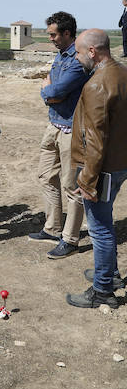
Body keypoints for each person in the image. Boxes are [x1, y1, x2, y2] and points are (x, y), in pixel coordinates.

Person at [66, 30, 127, 309]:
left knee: (100, 228)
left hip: (101, 168)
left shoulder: (96, 85)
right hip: (119, 163)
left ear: (92, 51)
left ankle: (102, 290)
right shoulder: (122, 73)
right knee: (105, 221)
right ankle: (110, 275)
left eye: (79, 52)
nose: (77, 58)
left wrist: (88, 180)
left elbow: (95, 139)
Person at [28, 11, 88, 259]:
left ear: (67, 33)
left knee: (72, 186)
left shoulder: (78, 60)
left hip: (73, 129)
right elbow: (53, 89)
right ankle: (53, 228)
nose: (50, 38)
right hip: (53, 125)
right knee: (46, 176)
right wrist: (50, 91)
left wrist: (48, 90)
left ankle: (70, 239)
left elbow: (58, 90)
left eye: (53, 34)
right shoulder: (60, 56)